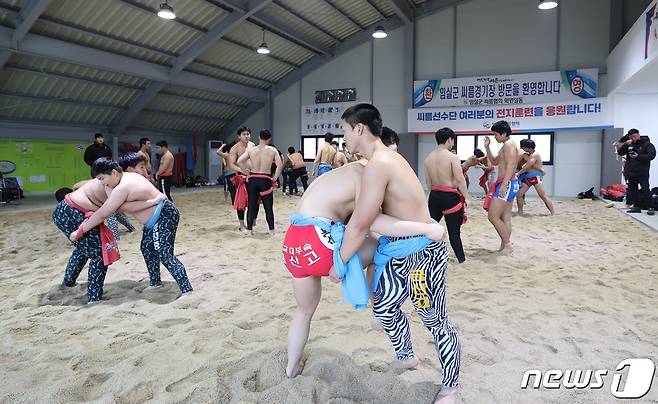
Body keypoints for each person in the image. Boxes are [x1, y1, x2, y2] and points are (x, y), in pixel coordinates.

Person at [337, 104, 461, 404]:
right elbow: (372, 220)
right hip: (396, 250)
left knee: (434, 320)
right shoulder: (377, 161)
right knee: (384, 308)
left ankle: (451, 385)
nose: (344, 139)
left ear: (358, 128)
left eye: (344, 130)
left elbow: (360, 223)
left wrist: (338, 263)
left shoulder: (381, 162)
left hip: (420, 256)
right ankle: (406, 356)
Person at [283, 160, 447, 378]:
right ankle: (377, 309)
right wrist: (427, 229)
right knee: (381, 248)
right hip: (320, 243)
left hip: (293, 244)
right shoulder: (365, 175)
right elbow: (373, 222)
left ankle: (291, 367)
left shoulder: (334, 175)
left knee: (303, 311)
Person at [69, 158, 193, 296]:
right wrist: (151, 202)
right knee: (147, 248)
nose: (102, 183)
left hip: (164, 215)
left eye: (102, 178)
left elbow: (105, 212)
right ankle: (156, 283)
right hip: (155, 217)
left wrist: (80, 231)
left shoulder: (123, 187)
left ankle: (186, 289)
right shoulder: (125, 180)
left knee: (163, 253)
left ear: (114, 173)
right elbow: (122, 207)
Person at [53, 178, 161, 303]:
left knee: (83, 248)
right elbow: (107, 213)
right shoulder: (118, 183)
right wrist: (80, 231)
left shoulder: (113, 181)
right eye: (142, 167)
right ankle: (94, 298)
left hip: (63, 211)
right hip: (73, 213)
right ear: (130, 168)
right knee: (99, 253)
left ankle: (69, 282)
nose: (146, 173)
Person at [424, 128, 471, 264]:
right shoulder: (452, 157)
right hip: (450, 197)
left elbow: (428, 182)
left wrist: (435, 193)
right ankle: (461, 260)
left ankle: (426, 256)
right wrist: (466, 196)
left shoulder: (428, 159)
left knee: (430, 229)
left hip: (434, 196)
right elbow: (460, 178)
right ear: (449, 140)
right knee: (454, 233)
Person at [237, 130, 284, 236]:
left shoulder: (251, 150)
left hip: (253, 178)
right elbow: (279, 165)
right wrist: (274, 178)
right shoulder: (272, 150)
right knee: (268, 206)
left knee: (252, 205)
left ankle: (249, 230)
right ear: (269, 139)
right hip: (265, 178)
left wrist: (247, 174)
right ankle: (271, 231)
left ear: (259, 137)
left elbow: (239, 161)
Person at [483, 120, 521, 252]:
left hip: (507, 183)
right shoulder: (506, 145)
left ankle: (508, 244)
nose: (495, 137)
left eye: (496, 135)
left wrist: (504, 185)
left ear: (504, 133)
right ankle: (504, 245)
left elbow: (511, 165)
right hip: (509, 182)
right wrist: (487, 147)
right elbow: (494, 161)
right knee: (505, 217)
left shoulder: (509, 144)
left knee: (493, 216)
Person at [617, 129, 656, 214]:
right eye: (631, 137)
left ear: (638, 135)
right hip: (631, 172)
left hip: (643, 172)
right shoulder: (629, 145)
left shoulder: (647, 144)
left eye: (634, 136)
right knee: (633, 190)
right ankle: (636, 207)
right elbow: (620, 152)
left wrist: (638, 156)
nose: (633, 139)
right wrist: (625, 145)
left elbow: (651, 155)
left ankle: (651, 207)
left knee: (645, 189)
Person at [516, 139, 555, 215]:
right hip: (528, 177)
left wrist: (519, 173)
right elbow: (520, 164)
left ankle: (552, 212)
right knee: (519, 195)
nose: (523, 149)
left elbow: (527, 166)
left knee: (542, 195)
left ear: (528, 148)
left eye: (524, 147)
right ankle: (520, 212)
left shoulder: (535, 155)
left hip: (535, 177)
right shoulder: (527, 155)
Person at [226, 127, 255, 230]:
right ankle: (242, 225)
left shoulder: (252, 145)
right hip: (240, 176)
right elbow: (231, 165)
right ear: (239, 136)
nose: (246, 136)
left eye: (248, 134)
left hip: (252, 174)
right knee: (241, 201)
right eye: (244, 134)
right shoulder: (235, 148)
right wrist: (243, 171)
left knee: (253, 199)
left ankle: (252, 221)